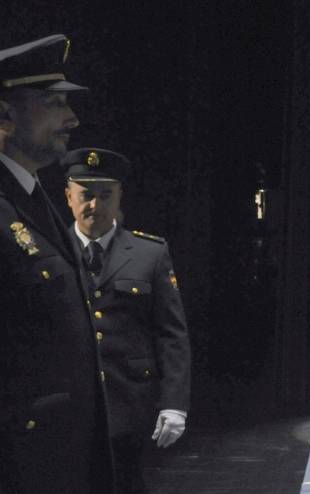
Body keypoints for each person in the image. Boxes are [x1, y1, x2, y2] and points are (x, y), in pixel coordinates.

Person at [0, 35, 115, 492]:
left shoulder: (31, 195)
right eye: (53, 103)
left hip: (55, 454)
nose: (72, 119)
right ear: (5, 113)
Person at [63, 148, 192, 493]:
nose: (95, 205)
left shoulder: (150, 253)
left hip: (130, 402)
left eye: (106, 195)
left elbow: (171, 334)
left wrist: (174, 403)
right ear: (69, 197)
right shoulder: (51, 251)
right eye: (86, 195)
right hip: (69, 401)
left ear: (120, 196)